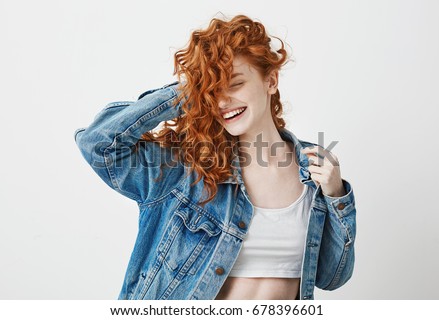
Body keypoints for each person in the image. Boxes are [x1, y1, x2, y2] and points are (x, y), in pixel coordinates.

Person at [74, 14, 356, 300]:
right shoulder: (184, 171)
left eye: (234, 84)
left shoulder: (314, 172)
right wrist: (188, 93)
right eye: (212, 90)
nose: (222, 101)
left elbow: (332, 278)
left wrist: (336, 196)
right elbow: (98, 145)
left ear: (270, 80)